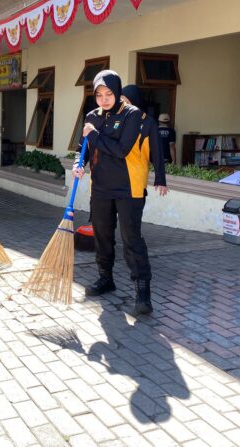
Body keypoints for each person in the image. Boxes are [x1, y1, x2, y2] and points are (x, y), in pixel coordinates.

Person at [74, 71, 167, 314]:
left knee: (131, 239)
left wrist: (93, 135)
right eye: (99, 95)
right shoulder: (92, 116)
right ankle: (105, 278)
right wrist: (78, 164)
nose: (104, 99)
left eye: (109, 94)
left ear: (117, 92)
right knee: (102, 236)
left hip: (128, 188)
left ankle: (142, 291)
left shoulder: (132, 115)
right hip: (100, 187)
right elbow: (82, 148)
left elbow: (121, 149)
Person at [122, 85, 168, 191]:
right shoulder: (118, 120)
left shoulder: (149, 123)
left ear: (135, 102)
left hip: (136, 180)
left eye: (126, 102)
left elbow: (157, 152)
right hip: (114, 180)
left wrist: (160, 179)